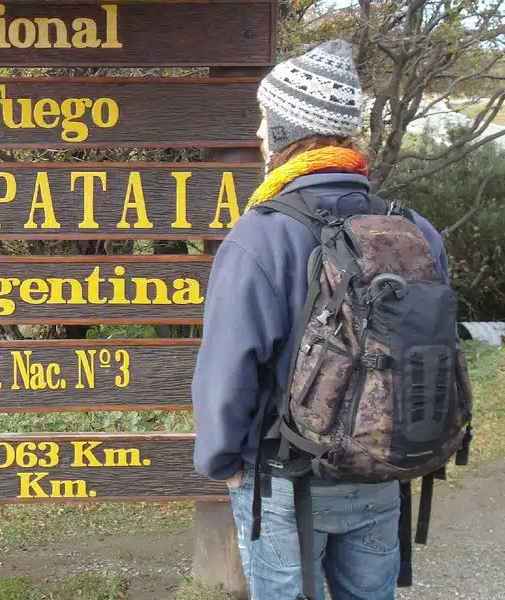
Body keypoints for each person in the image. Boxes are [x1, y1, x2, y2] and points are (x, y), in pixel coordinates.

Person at [191, 39, 450, 599]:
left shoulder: (262, 234)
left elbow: (228, 367)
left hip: (283, 476)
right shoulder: (415, 230)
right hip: (382, 471)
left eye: (264, 120)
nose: (258, 134)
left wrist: (221, 461)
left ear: (287, 131)